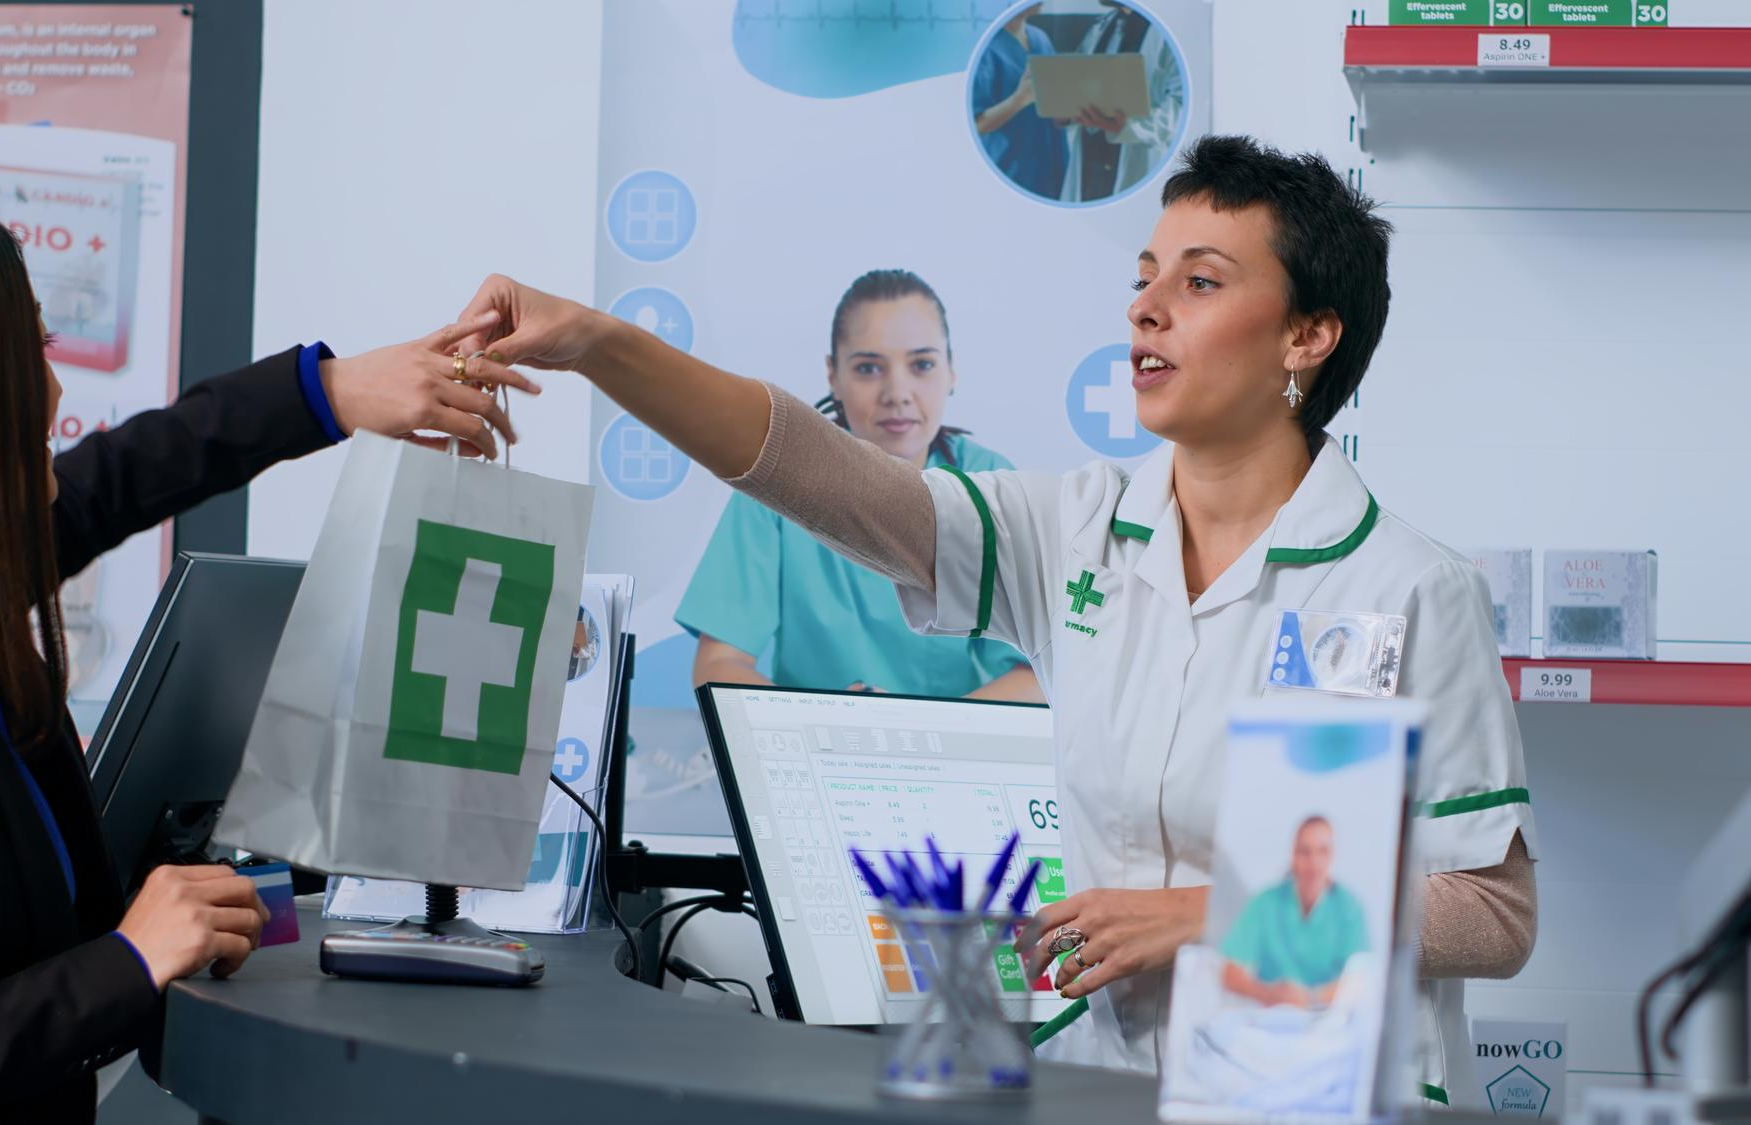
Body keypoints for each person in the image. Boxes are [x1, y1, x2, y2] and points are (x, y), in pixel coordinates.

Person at [445, 135, 1538, 1104]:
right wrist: (603, 345)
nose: (1145, 308)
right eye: (1144, 278)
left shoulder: (1406, 587)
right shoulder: (1072, 531)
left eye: (1199, 282)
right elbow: (814, 473)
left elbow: (1492, 914)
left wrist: (1207, 914)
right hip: (1102, 1088)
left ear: (1308, 334)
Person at [0, 194, 532, 1124]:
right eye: (30, 354)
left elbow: (116, 480)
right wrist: (123, 964)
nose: (56, 394)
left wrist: (328, 394)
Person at [676, 269, 1040, 701]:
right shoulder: (772, 484)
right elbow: (718, 664)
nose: (897, 392)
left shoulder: (991, 488)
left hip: (960, 742)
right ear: (833, 375)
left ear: (951, 370)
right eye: (868, 368)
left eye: (922, 365)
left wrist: (923, 730)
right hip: (813, 740)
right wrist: (827, 721)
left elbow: (1040, 674)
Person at [1219, 817, 1370, 1008]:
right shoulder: (1266, 903)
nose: (1313, 862)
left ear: (1332, 856)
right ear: (1293, 855)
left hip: (1326, 1015)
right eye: (1305, 852)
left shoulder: (1349, 908)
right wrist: (1267, 994)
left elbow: (1359, 980)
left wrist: (1309, 998)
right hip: (1268, 1012)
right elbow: (1230, 973)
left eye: (1322, 851)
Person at [1062, 2, 1187, 203]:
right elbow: (1079, 83)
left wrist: (1126, 127)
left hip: (1139, 162)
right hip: (1091, 165)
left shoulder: (1169, 31)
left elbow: (1183, 109)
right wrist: (1065, 111)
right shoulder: (1102, 26)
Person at [972, 4, 1068, 201]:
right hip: (1010, 169)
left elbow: (1054, 102)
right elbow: (976, 124)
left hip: (1053, 164)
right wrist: (1019, 99)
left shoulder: (1040, 38)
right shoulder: (982, 46)